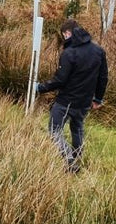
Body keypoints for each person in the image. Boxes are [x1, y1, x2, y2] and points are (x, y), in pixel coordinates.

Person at [35, 19, 108, 173]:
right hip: (84, 102)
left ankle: (69, 159)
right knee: (77, 128)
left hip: (65, 101)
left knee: (54, 131)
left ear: (68, 33)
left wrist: (40, 87)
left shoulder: (69, 53)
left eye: (64, 36)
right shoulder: (99, 51)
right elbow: (103, 78)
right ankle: (77, 157)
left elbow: (60, 80)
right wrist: (97, 99)